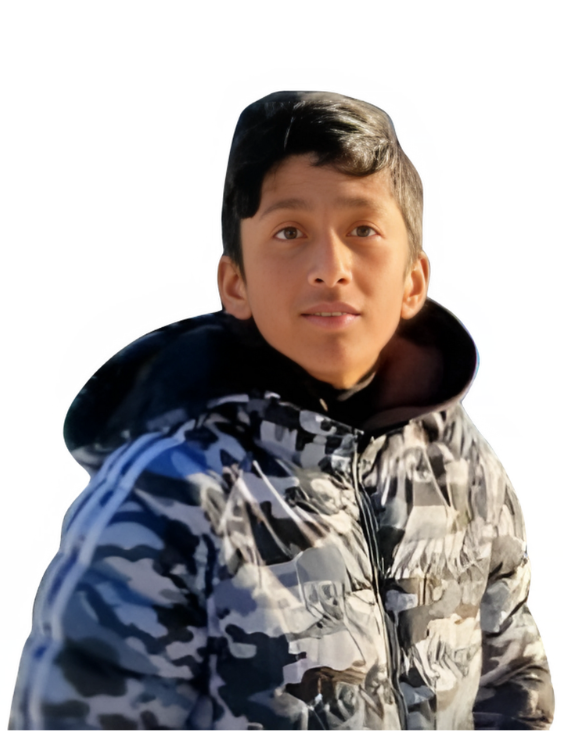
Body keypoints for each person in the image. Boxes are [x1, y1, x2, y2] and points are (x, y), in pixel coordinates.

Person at [7, 90, 557, 730]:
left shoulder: (460, 462)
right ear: (235, 283)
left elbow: (511, 683)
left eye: (363, 230)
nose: (330, 268)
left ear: (413, 280)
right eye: (289, 233)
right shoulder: (164, 497)